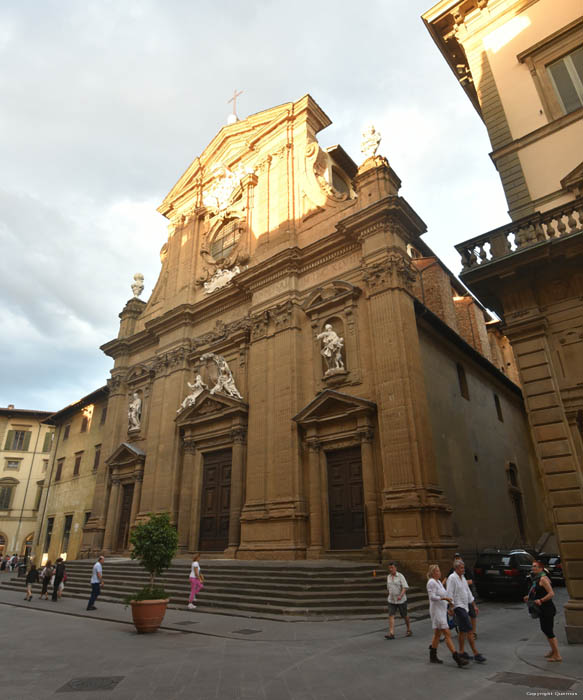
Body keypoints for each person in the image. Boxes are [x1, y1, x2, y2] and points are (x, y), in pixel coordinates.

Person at [426, 564, 468, 667]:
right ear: (432, 573)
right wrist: (445, 600)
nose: (439, 573)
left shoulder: (439, 582)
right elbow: (432, 597)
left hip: (441, 610)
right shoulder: (431, 582)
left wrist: (448, 607)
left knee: (437, 633)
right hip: (436, 611)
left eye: (439, 571)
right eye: (437, 571)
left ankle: (433, 655)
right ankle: (457, 658)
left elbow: (443, 595)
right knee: (447, 633)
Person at [447, 560, 486, 663]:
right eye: (461, 568)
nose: (463, 570)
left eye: (463, 568)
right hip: (458, 607)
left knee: (462, 631)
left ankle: (461, 651)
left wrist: (474, 605)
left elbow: (468, 592)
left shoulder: (463, 578)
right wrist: (450, 607)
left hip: (465, 606)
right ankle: (476, 653)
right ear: (456, 569)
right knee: (469, 630)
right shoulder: (452, 578)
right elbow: (449, 593)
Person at [524, 560, 561, 662]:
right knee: (546, 630)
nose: (533, 568)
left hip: (547, 609)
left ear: (540, 568)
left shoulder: (543, 579)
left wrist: (541, 600)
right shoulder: (536, 579)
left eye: (535, 566)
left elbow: (551, 593)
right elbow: (539, 592)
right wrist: (529, 597)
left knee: (548, 631)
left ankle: (557, 655)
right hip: (542, 609)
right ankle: (553, 650)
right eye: (532, 566)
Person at [385, 562, 412, 639]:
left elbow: (405, 587)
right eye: (389, 568)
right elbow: (388, 587)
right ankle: (391, 633)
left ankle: (408, 629)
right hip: (391, 600)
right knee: (391, 615)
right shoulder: (388, 577)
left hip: (401, 600)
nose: (391, 569)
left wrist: (401, 595)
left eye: (392, 568)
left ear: (395, 568)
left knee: (404, 615)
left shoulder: (400, 576)